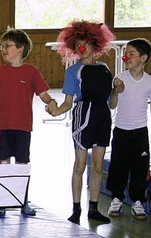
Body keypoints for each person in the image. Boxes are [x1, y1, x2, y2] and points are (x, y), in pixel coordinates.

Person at [0, 27, 56, 217]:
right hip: (2, 126)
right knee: (2, 163)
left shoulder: (32, 72)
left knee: (22, 164)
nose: (3, 50)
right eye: (1, 46)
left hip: (23, 126)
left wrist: (52, 102)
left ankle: (22, 199)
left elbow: (44, 94)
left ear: (20, 48)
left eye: (7, 46)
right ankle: (1, 202)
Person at [51, 20, 115, 224]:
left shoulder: (105, 68)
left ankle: (93, 209)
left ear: (95, 44)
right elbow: (68, 102)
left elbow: (111, 102)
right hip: (83, 117)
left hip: (103, 116)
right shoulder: (73, 71)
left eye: (86, 42)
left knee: (97, 166)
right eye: (79, 43)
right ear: (74, 46)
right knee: (80, 164)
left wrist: (117, 91)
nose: (83, 46)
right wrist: (55, 110)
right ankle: (76, 208)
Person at [106, 38, 151, 220]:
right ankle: (117, 198)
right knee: (118, 165)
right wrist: (116, 91)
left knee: (140, 168)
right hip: (121, 130)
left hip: (140, 132)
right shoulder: (120, 78)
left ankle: (137, 201)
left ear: (143, 57)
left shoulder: (150, 82)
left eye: (131, 54)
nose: (126, 57)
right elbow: (112, 105)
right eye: (125, 54)